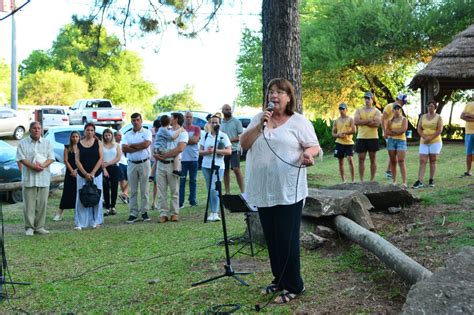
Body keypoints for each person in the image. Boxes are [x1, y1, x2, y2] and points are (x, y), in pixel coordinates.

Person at [240, 78, 320, 304]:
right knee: (273, 239)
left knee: (287, 239)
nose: (274, 96)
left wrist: (309, 154)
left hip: (289, 190)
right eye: (271, 92)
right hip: (264, 190)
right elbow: (244, 145)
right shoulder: (259, 119)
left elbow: (313, 145)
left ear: (289, 97)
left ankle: (295, 285)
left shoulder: (298, 122)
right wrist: (259, 126)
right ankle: (279, 279)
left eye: (279, 92)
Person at [16, 121, 55, 236]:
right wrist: (34, 167)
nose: (37, 130)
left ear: (41, 130)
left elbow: (51, 158)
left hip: (43, 177)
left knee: (42, 203)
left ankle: (40, 227)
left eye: (39, 128)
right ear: (30, 130)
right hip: (29, 178)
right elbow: (21, 159)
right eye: (34, 128)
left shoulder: (47, 143)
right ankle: (29, 227)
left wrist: (42, 166)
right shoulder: (23, 143)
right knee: (29, 204)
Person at [155, 112, 188, 223]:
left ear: (176, 119)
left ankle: (174, 213)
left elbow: (180, 148)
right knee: (161, 190)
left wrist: (165, 155)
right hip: (161, 164)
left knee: (174, 190)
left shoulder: (183, 133)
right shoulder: (165, 130)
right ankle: (163, 213)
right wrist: (157, 155)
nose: (170, 119)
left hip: (172, 164)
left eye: (171, 118)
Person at [199, 114, 231, 221]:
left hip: (218, 166)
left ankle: (215, 212)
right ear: (209, 123)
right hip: (206, 165)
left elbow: (228, 151)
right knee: (210, 189)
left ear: (220, 124)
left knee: (214, 188)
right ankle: (212, 211)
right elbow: (199, 151)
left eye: (216, 122)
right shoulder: (205, 135)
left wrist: (216, 151)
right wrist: (206, 152)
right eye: (212, 122)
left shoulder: (223, 136)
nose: (214, 124)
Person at [122, 113, 152, 223]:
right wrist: (138, 146)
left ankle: (144, 212)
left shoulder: (147, 132)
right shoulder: (127, 135)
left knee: (144, 189)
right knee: (133, 190)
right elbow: (124, 148)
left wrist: (132, 146)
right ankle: (133, 213)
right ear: (131, 122)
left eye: (137, 120)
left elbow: (146, 145)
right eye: (133, 120)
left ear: (141, 120)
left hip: (144, 163)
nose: (136, 122)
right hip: (132, 164)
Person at [75, 123, 104, 230]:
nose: (90, 132)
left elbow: (101, 158)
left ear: (94, 132)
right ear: (84, 131)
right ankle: (81, 223)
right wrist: (85, 173)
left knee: (96, 196)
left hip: (96, 174)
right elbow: (77, 160)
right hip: (82, 175)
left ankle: (96, 221)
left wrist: (92, 173)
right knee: (82, 197)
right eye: (88, 130)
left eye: (92, 130)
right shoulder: (79, 144)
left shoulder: (98, 143)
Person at [412, 100, 443, 189]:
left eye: (432, 106)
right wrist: (425, 137)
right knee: (422, 161)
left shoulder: (438, 117)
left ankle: (431, 179)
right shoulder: (423, 117)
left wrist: (431, 138)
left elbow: (439, 130)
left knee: (433, 160)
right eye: (429, 106)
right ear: (427, 107)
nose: (430, 107)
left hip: (435, 142)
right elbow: (419, 129)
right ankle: (420, 181)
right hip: (424, 142)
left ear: (435, 107)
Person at [354, 92, 381, 182]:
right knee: (361, 159)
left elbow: (377, 124)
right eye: (365, 98)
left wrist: (363, 122)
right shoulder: (359, 110)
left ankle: (372, 180)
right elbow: (356, 121)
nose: (367, 100)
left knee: (373, 158)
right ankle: (361, 180)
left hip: (373, 138)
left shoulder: (376, 111)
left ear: (372, 100)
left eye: (368, 98)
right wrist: (369, 121)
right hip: (361, 137)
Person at [53, 131, 80, 221]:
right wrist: (72, 170)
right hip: (70, 173)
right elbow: (65, 160)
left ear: (79, 137)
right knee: (67, 193)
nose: (75, 138)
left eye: (77, 136)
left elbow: (83, 160)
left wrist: (77, 170)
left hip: (79, 173)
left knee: (78, 193)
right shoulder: (67, 147)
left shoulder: (81, 147)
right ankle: (59, 213)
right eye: (73, 136)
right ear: (71, 138)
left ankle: (78, 213)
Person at [382, 93, 408, 179]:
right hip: (388, 133)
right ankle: (388, 171)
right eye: (403, 101)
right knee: (393, 154)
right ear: (399, 99)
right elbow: (383, 119)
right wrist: (385, 131)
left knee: (396, 154)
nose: (404, 103)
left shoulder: (399, 108)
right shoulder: (389, 106)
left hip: (394, 132)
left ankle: (389, 171)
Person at [221, 104, 245, 194]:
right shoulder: (221, 123)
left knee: (236, 170)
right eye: (227, 109)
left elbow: (241, 136)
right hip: (224, 151)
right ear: (222, 111)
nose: (229, 110)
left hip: (234, 149)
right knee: (225, 171)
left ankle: (243, 192)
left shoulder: (236, 122)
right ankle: (227, 192)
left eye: (230, 109)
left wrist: (228, 140)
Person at [179, 111, 201, 208]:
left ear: (192, 118)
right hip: (182, 159)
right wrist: (189, 140)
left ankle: (192, 200)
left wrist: (183, 141)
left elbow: (195, 140)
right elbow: (178, 141)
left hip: (193, 158)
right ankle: (180, 202)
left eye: (190, 117)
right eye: (187, 117)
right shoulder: (180, 128)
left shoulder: (197, 128)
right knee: (181, 181)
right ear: (184, 118)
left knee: (193, 180)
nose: (188, 118)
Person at [331, 103, 356, 183]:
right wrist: (338, 135)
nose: (341, 110)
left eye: (343, 109)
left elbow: (354, 130)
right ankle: (343, 180)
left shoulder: (350, 119)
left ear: (346, 110)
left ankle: (353, 180)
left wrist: (346, 133)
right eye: (340, 109)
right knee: (340, 161)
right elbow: (333, 133)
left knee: (350, 159)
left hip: (349, 143)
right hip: (339, 143)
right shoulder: (336, 121)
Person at [102, 128, 122, 216]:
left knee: (114, 187)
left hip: (114, 167)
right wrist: (104, 168)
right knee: (105, 188)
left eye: (109, 135)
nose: (107, 137)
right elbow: (100, 158)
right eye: (105, 135)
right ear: (103, 136)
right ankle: (107, 207)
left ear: (112, 136)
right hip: (104, 168)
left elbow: (118, 157)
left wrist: (109, 163)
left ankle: (113, 207)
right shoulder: (101, 145)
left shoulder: (116, 145)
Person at [460, 95, 474, 177]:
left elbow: (464, 116)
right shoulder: (468, 104)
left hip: (469, 132)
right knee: (468, 153)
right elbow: (461, 116)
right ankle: (468, 171)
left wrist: (469, 115)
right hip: (468, 132)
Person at [114, 131, 129, 204]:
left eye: (121, 135)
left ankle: (125, 194)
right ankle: (125, 196)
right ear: (115, 136)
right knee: (122, 180)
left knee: (130, 179)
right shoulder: (114, 144)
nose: (120, 136)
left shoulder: (123, 143)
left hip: (125, 162)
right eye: (118, 135)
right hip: (118, 163)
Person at [150, 119, 160, 210]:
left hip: (157, 159)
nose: (157, 130)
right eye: (156, 128)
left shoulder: (163, 132)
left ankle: (154, 202)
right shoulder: (150, 132)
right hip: (149, 159)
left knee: (156, 182)